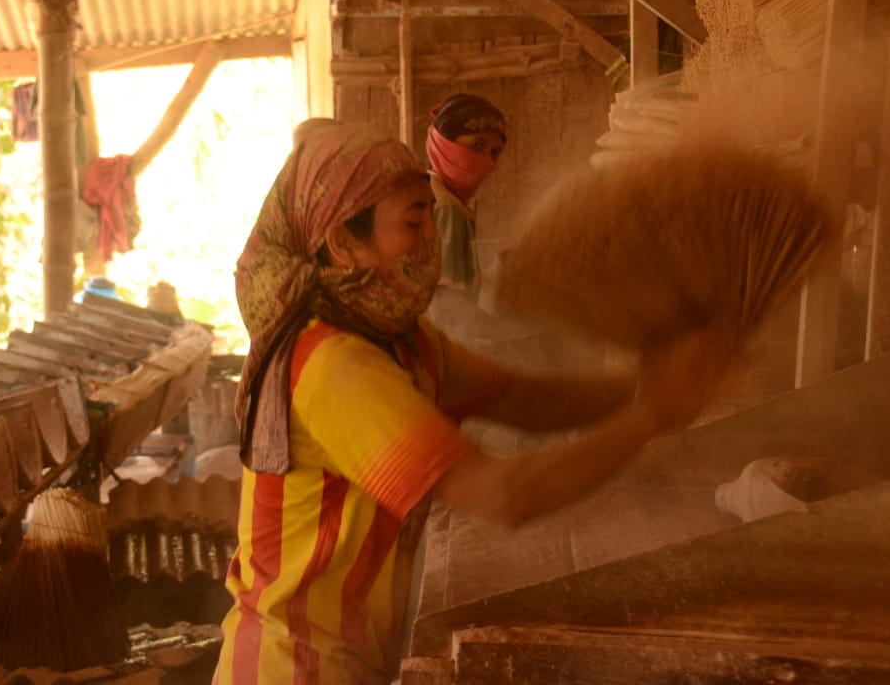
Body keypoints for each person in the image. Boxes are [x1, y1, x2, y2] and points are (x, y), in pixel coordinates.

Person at [212, 122, 734, 685]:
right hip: (293, 669)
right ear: (343, 243)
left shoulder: (402, 342)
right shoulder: (334, 366)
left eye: (429, 219)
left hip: (347, 657)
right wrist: (653, 414)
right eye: (413, 223)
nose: (430, 243)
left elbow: (524, 398)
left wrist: (647, 385)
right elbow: (504, 495)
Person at [424, 93, 507, 300]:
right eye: (477, 146)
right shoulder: (448, 208)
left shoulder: (425, 188)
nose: (488, 162)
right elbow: (448, 307)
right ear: (444, 142)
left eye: (495, 152)